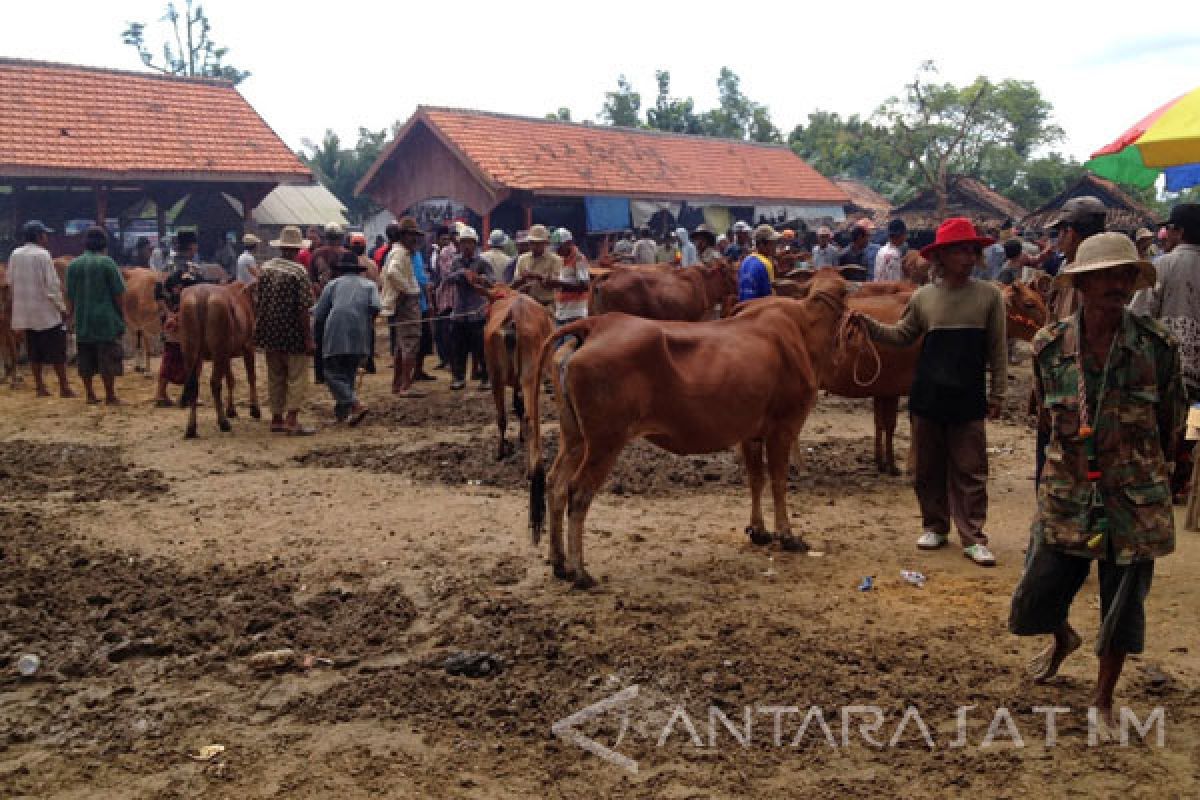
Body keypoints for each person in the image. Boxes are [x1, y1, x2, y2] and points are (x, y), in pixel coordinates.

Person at [1009, 232, 1183, 732]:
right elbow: (1044, 417)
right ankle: (1061, 636)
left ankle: (1102, 698)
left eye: (1124, 275)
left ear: (1133, 283)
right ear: (1082, 284)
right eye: (1104, 275)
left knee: (1123, 603)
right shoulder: (1048, 345)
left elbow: (1170, 423)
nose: (1115, 284)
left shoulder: (1156, 345)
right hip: (1067, 491)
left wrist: (1152, 472)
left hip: (1135, 498)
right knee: (1035, 595)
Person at [856, 217, 1007, 566]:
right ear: (941, 257)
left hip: (967, 395)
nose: (968, 258)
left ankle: (973, 536)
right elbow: (903, 335)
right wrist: (869, 326)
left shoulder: (989, 297)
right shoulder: (924, 298)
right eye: (959, 251)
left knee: (971, 468)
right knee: (927, 467)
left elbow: (998, 351)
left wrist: (997, 394)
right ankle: (935, 526)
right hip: (927, 394)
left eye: (972, 250)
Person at [1132, 204, 1200, 500]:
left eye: (1169, 228)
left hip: (1165, 363)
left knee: (1160, 422)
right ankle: (1186, 481)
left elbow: (1139, 314)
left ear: (1180, 231)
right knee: (1195, 423)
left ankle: (1162, 478)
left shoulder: (1163, 265)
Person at [255, 225, 317, 435]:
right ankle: (292, 419)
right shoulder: (299, 272)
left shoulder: (266, 268)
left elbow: (258, 301)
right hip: (293, 333)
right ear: (297, 249)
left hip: (270, 331)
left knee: (275, 375)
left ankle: (276, 418)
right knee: (297, 376)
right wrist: (308, 338)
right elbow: (303, 308)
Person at [9, 220, 75, 398]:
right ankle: (64, 387)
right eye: (44, 234)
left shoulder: (15, 254)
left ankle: (40, 387)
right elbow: (52, 285)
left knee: (34, 352)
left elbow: (11, 281)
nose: (46, 237)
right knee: (57, 351)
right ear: (38, 236)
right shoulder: (43, 255)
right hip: (46, 312)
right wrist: (62, 308)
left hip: (26, 313)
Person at [314, 250, 379, 424]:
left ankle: (355, 404)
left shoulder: (333, 285)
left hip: (336, 332)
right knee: (348, 373)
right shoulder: (369, 286)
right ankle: (342, 414)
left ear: (341, 269)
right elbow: (376, 307)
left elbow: (320, 313)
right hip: (361, 334)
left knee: (331, 374)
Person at [66, 226, 126, 405]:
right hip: (105, 320)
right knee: (107, 357)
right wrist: (121, 314)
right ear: (104, 244)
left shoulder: (73, 265)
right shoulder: (107, 263)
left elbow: (70, 295)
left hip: (83, 319)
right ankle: (110, 395)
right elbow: (119, 293)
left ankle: (90, 394)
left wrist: (70, 316)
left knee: (85, 358)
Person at [153, 230, 206, 407]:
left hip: (169, 319)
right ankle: (192, 394)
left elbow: (158, 295)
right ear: (192, 247)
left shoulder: (166, 266)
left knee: (170, 354)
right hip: (190, 320)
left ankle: (160, 393)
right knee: (194, 356)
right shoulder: (195, 270)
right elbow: (202, 296)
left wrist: (168, 314)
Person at [445, 226, 495, 390]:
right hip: (459, 311)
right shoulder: (456, 261)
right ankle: (458, 377)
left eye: (469, 243)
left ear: (475, 244)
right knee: (458, 348)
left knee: (481, 348)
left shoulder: (483, 262)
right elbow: (448, 279)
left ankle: (486, 378)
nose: (466, 246)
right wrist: (462, 273)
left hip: (477, 312)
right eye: (463, 242)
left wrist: (479, 279)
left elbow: (492, 282)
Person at [381, 217, 427, 396]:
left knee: (401, 345)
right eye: (411, 235)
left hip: (402, 301)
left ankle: (397, 384)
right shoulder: (401, 253)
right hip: (407, 302)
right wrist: (407, 290)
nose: (415, 239)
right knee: (410, 343)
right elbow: (392, 273)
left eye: (416, 235)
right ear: (403, 236)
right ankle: (406, 386)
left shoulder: (399, 251)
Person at [543, 227, 591, 326]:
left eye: (559, 248)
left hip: (575, 313)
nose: (557, 251)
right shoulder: (560, 259)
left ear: (568, 244)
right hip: (561, 312)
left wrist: (558, 283)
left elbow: (584, 286)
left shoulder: (579, 259)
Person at [512, 224, 562, 310]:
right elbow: (515, 283)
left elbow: (556, 284)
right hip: (526, 306)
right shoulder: (522, 259)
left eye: (538, 243)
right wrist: (523, 280)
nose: (534, 246)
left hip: (546, 306)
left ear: (545, 243)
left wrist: (537, 276)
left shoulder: (555, 260)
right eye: (532, 243)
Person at [737, 224, 780, 302]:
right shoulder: (765, 263)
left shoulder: (746, 260)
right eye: (772, 243)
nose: (775, 247)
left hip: (743, 307)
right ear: (761, 245)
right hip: (758, 309)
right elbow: (769, 296)